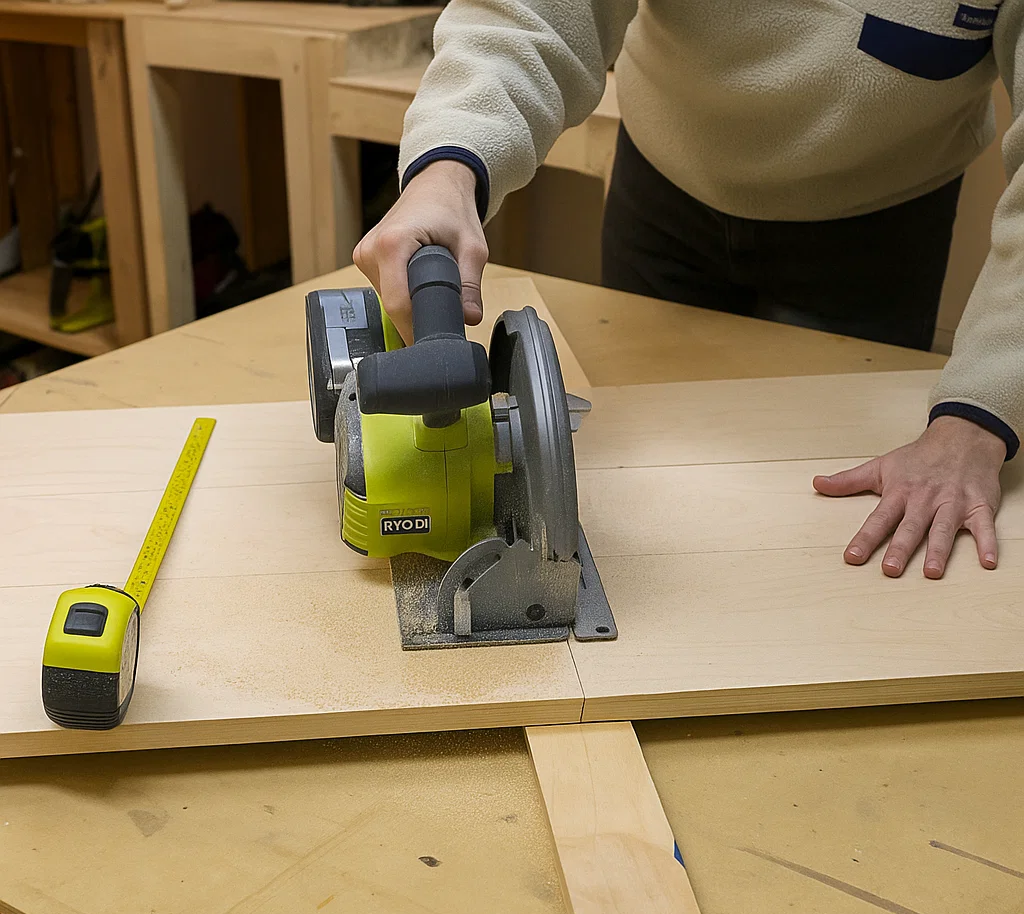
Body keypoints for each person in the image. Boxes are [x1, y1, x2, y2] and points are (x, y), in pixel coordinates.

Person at [353, 0, 1022, 580]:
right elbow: (534, 15)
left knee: (813, 526)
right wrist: (448, 164)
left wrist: (980, 414)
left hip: (879, 225)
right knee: (643, 467)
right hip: (666, 190)